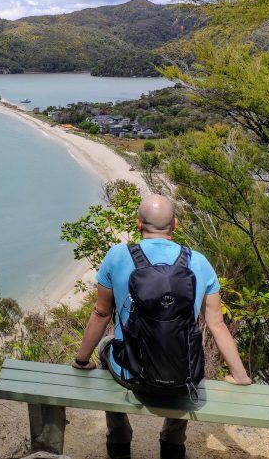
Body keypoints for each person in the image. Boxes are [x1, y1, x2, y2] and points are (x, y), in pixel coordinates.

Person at [72, 194, 251, 459]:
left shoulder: (118, 255)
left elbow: (101, 313)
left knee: (106, 345)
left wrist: (81, 360)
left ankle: (119, 438)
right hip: (181, 378)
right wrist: (240, 375)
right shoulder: (199, 262)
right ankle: (172, 440)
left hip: (131, 374)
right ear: (175, 225)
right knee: (186, 359)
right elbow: (217, 324)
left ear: (138, 224)